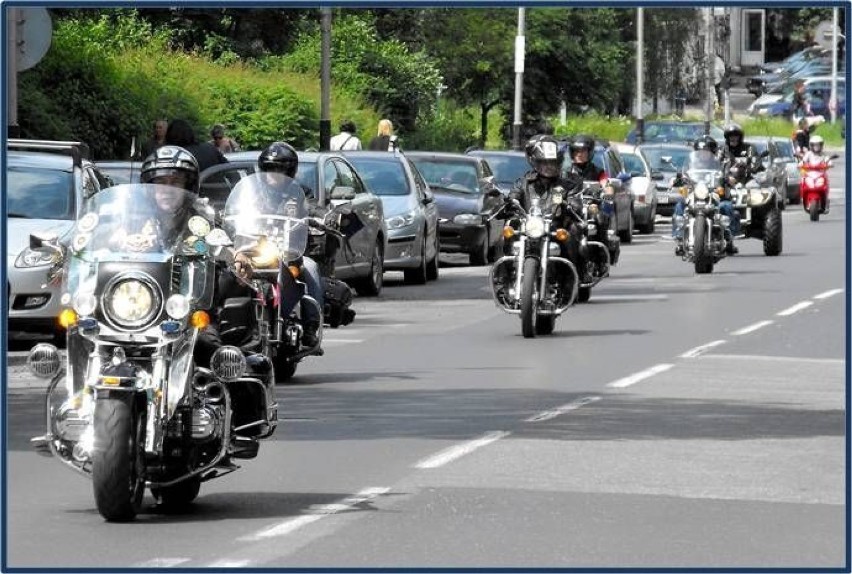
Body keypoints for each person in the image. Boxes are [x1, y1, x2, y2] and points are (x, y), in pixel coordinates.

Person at [254, 142, 326, 349]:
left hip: (290, 248)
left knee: (310, 267)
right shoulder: (256, 192)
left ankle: (312, 325)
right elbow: (239, 208)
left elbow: (314, 208)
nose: (273, 174)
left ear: (290, 172)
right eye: (269, 169)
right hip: (258, 248)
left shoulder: (301, 192)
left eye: (279, 170)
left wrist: (319, 217)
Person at [498, 135, 587, 286]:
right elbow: (513, 197)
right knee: (505, 234)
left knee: (573, 233)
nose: (549, 167)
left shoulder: (568, 185)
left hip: (555, 225)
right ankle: (502, 279)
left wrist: (571, 205)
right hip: (529, 225)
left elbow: (575, 202)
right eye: (544, 163)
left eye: (552, 163)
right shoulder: (523, 183)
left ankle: (570, 280)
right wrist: (504, 203)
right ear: (535, 162)